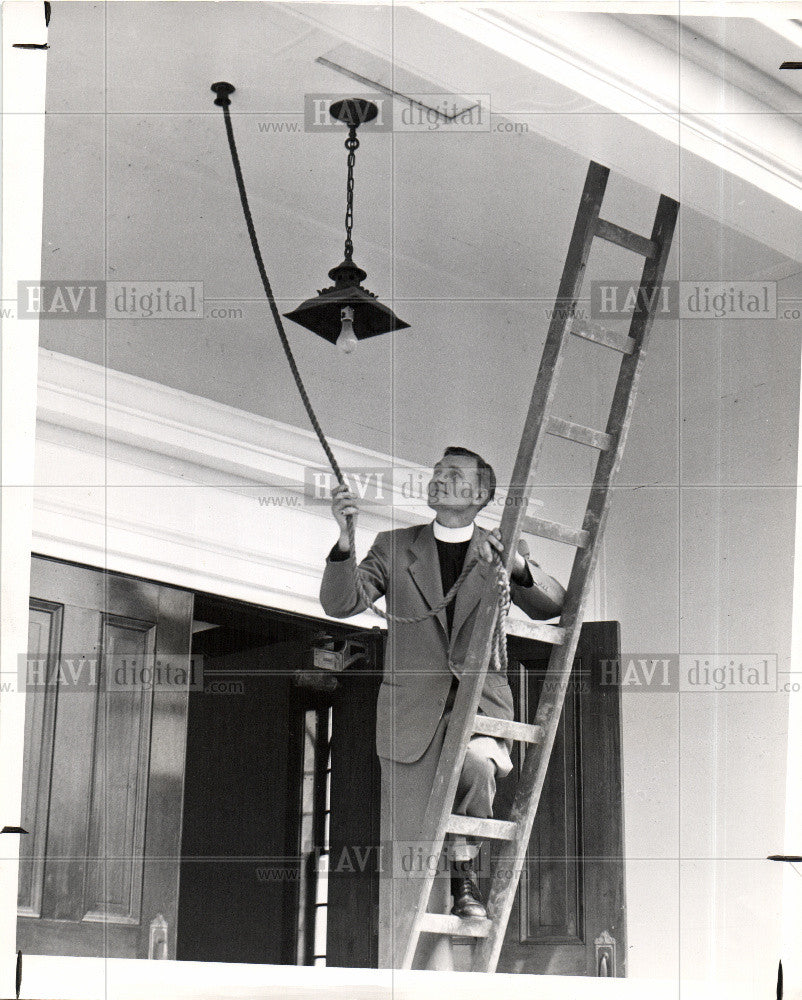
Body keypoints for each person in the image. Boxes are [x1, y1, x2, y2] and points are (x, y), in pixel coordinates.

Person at [319, 446, 565, 970]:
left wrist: (516, 565)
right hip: (411, 722)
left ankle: (465, 874)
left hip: (479, 709)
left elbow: (553, 604)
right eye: (436, 472)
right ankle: (417, 973)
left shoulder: (500, 548)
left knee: (477, 766)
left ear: (479, 495)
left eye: (453, 475)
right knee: (411, 859)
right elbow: (342, 603)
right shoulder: (393, 546)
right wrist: (344, 540)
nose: (437, 479)